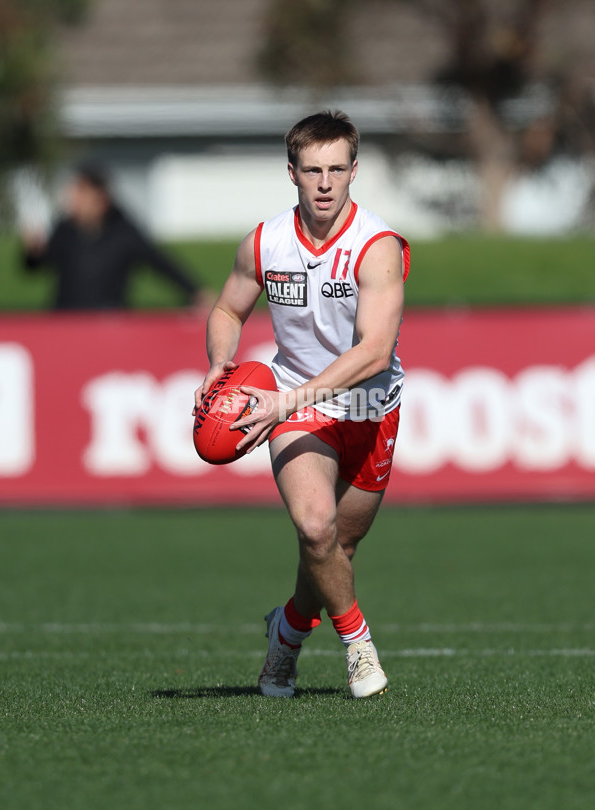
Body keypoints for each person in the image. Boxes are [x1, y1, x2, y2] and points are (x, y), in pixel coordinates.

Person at [194, 111, 410, 699]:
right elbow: (227, 310)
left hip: (368, 405)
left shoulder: (377, 246)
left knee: (338, 548)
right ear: (291, 171)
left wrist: (288, 398)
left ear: (354, 172)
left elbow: (373, 351)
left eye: (336, 169)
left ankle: (285, 634)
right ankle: (359, 648)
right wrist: (220, 359)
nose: (324, 183)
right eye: (312, 169)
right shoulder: (264, 242)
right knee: (316, 529)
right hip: (295, 404)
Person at [21, 162, 208, 311]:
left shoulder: (124, 232)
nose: (71, 201)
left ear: (99, 197)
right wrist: (33, 253)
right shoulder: (65, 229)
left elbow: (161, 263)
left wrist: (196, 292)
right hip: (66, 320)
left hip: (108, 323)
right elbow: (37, 265)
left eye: (79, 193)